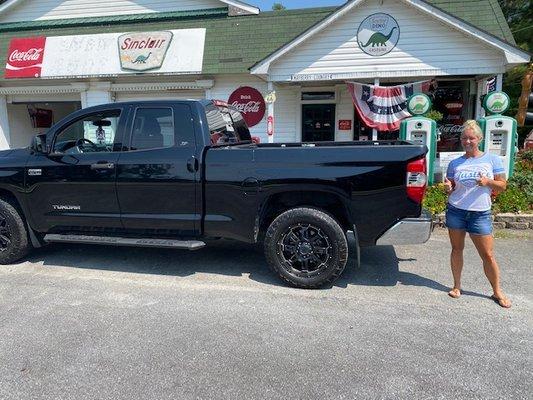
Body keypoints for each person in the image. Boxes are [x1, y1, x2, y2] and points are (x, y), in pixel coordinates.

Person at [443, 120, 511, 308]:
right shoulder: (455, 162)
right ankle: (457, 286)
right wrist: (448, 187)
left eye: (471, 138)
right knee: (457, 249)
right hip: (456, 210)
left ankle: (497, 291)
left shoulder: (492, 159)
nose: (468, 141)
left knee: (487, 255)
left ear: (479, 139)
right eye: (464, 138)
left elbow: (503, 185)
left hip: (480, 213)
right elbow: (451, 185)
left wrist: (487, 181)